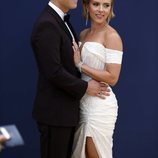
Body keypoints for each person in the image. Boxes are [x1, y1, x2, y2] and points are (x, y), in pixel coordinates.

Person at [31, 0, 110, 158]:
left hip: (67, 113)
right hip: (56, 114)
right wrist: (86, 87)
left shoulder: (59, 20)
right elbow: (53, 71)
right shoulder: (47, 24)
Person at [71, 0, 123, 157]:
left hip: (100, 105)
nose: (101, 10)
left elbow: (113, 77)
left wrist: (80, 65)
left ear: (111, 8)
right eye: (96, 4)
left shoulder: (112, 36)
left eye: (106, 5)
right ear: (87, 6)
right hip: (82, 102)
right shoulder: (83, 34)